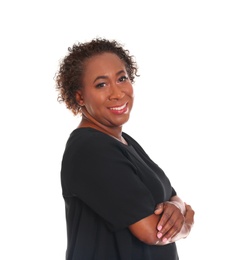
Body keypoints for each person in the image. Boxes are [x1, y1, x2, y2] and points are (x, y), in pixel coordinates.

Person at [55, 38, 195, 260]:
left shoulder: (123, 141)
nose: (117, 93)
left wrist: (177, 208)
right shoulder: (92, 149)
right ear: (80, 96)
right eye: (101, 84)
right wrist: (186, 223)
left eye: (122, 78)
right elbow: (152, 232)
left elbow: (173, 196)